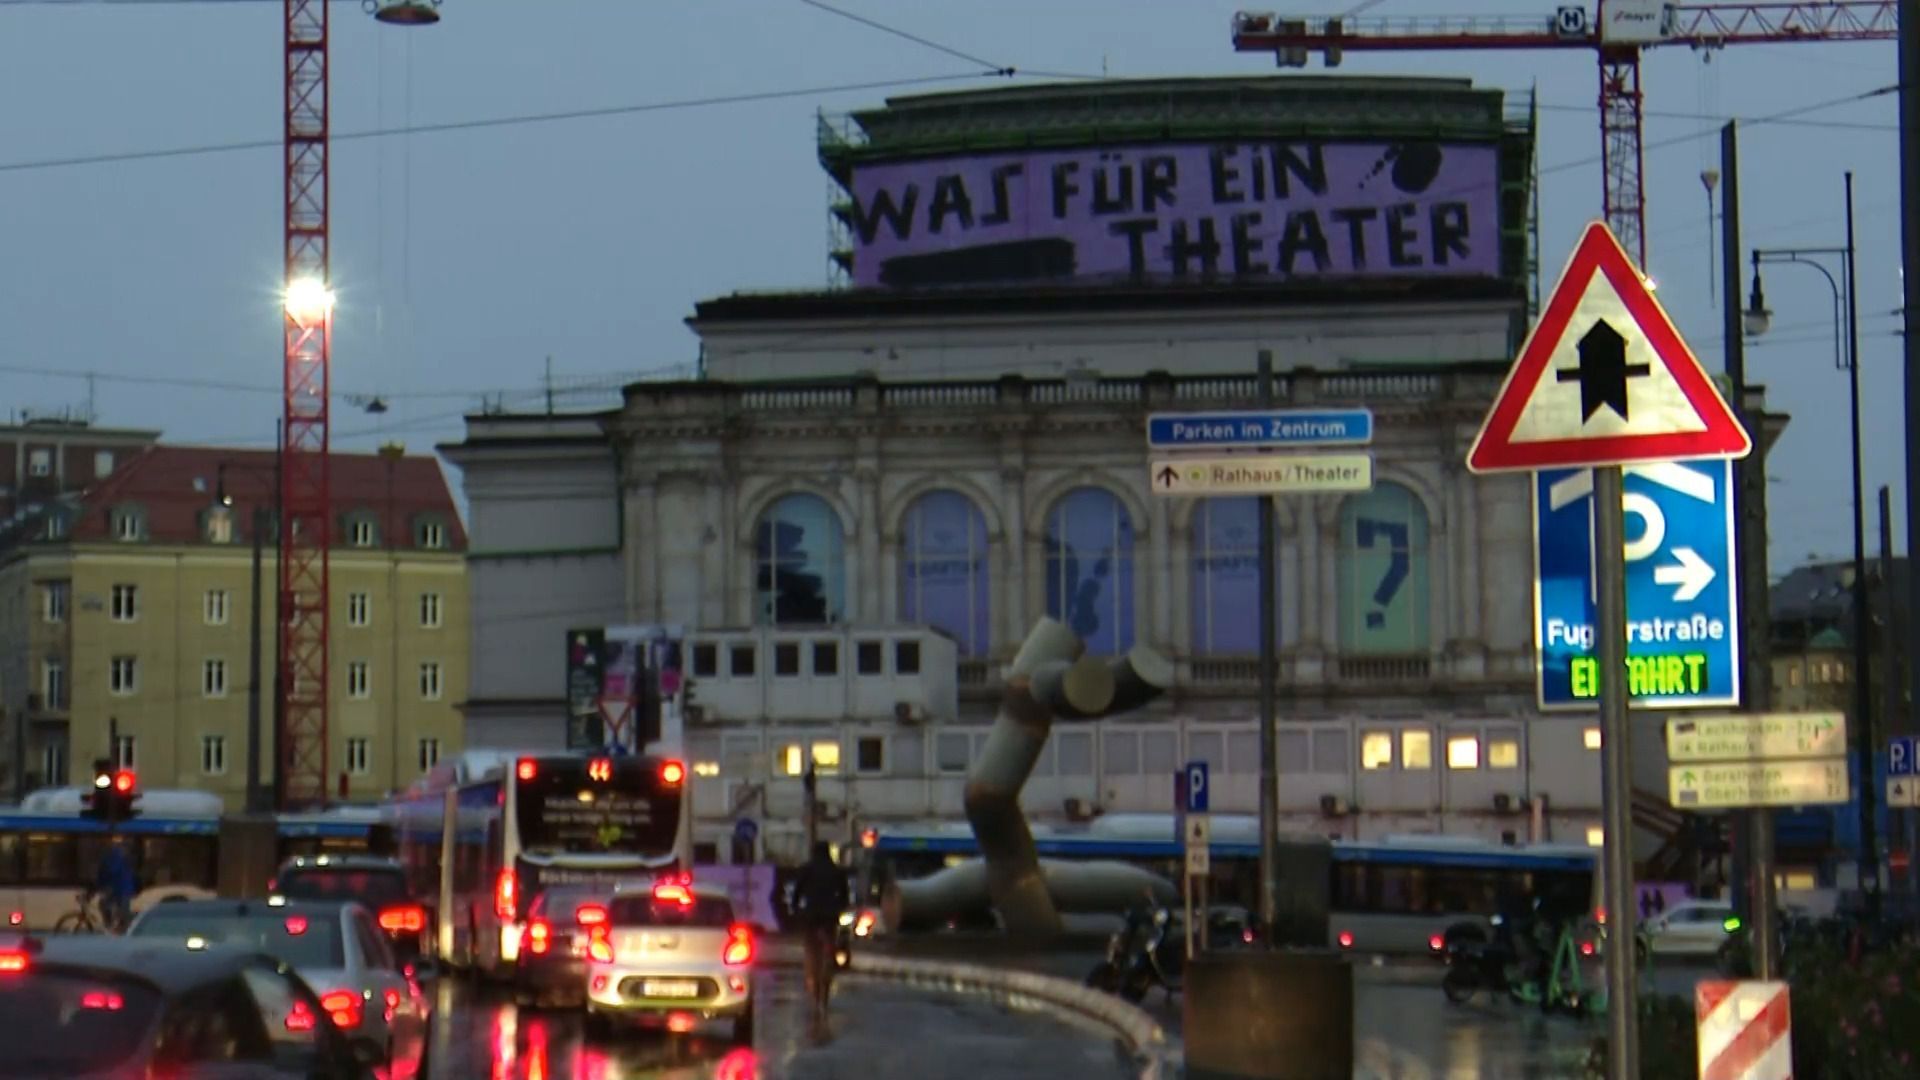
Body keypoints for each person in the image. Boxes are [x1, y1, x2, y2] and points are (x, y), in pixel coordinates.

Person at [787, 842, 849, 1021]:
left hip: (811, 917)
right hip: (830, 918)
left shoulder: (807, 869)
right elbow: (844, 895)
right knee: (829, 952)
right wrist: (839, 909)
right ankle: (825, 993)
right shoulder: (836, 871)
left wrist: (795, 908)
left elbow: (796, 893)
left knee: (811, 953)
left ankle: (814, 990)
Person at [95, 836, 136, 932]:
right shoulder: (112, 855)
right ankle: (113, 926)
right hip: (120, 888)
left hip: (121, 888)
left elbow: (112, 871)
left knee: (117, 909)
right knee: (105, 905)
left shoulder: (115, 855)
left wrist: (101, 885)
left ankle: (122, 929)